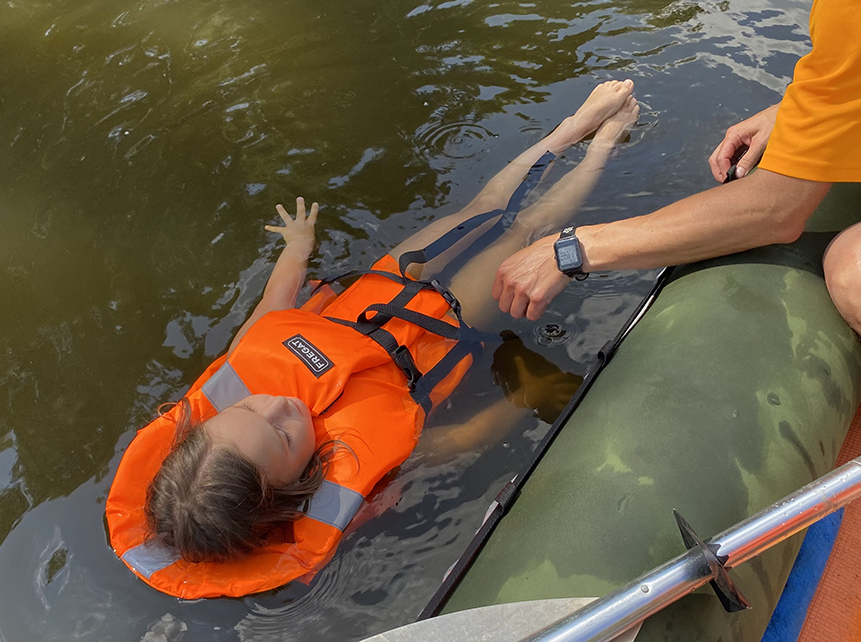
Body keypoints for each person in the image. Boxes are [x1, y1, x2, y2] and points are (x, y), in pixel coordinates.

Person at [105, 80, 640, 599]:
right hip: (447, 321)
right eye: (285, 436)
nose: (279, 404)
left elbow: (274, 308)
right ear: (295, 492)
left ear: (210, 415)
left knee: (480, 209)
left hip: (385, 285)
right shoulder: (355, 470)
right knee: (526, 229)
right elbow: (461, 438)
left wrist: (297, 248)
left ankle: (570, 129)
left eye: (248, 408)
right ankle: (601, 148)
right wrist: (525, 397)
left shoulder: (250, 375)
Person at [493, 0, 861, 349]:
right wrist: (794, 110)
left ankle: (591, 139)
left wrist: (574, 248)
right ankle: (578, 132)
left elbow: (776, 211)